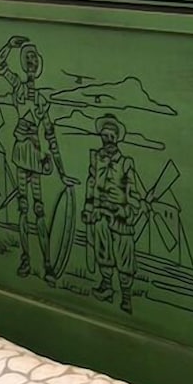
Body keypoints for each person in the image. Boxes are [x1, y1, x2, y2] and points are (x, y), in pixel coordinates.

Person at [0, 35, 74, 283]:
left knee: (39, 211)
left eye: (34, 58)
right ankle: (26, 259)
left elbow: (51, 137)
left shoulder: (41, 101)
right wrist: (9, 45)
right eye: (27, 57)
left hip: (36, 157)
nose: (31, 62)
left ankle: (47, 262)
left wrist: (62, 172)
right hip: (22, 154)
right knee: (24, 209)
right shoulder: (17, 88)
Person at [82, 114, 141, 314]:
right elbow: (91, 184)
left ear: (117, 138)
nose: (107, 140)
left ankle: (126, 296)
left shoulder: (125, 163)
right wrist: (88, 209)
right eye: (104, 136)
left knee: (124, 257)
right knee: (103, 251)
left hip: (120, 218)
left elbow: (133, 194)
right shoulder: (96, 160)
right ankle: (106, 286)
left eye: (111, 136)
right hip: (100, 215)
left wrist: (125, 211)